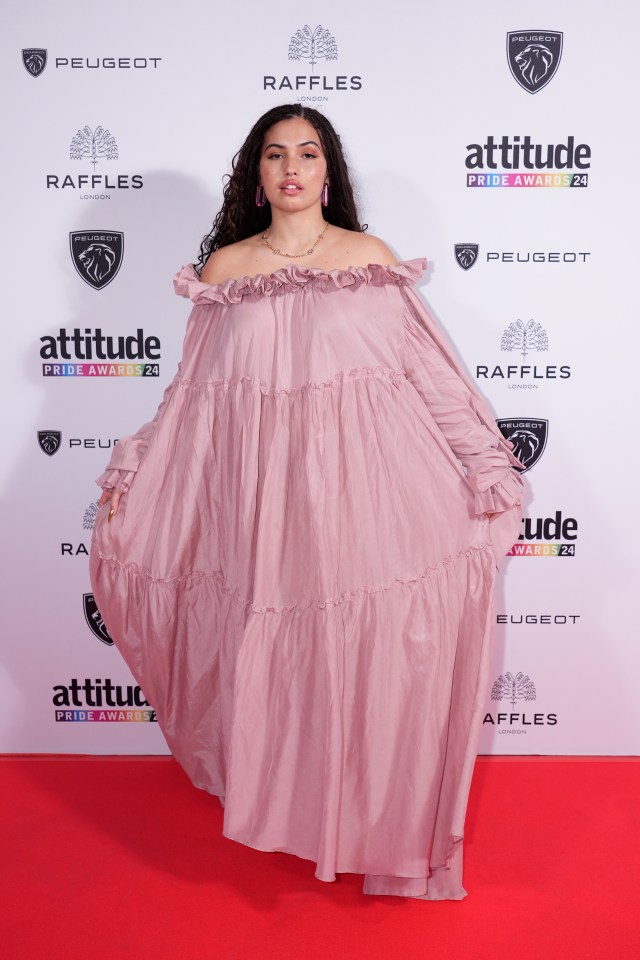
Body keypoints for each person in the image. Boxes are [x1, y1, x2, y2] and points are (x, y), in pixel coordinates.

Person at [90, 103, 525, 900]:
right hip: (267, 506)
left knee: (368, 658)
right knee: (280, 655)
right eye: (275, 155)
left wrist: (483, 471)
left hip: (371, 494)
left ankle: (367, 823)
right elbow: (190, 398)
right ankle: (287, 804)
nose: (292, 168)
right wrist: (136, 472)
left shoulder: (369, 258)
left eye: (309, 153)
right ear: (256, 177)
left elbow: (427, 377)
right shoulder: (223, 272)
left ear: (329, 172)